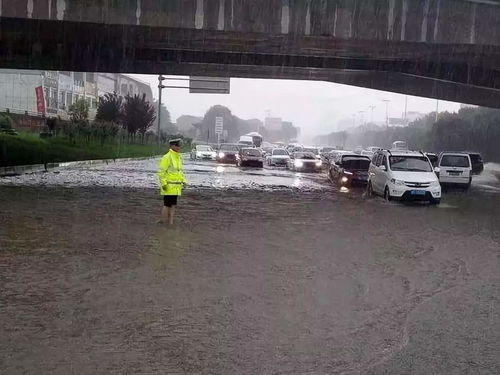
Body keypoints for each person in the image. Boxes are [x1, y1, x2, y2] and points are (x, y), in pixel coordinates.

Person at [158, 138, 187, 225]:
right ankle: (163, 221)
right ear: (172, 146)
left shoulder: (178, 157)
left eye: (179, 145)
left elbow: (180, 171)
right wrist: (163, 183)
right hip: (168, 186)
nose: (179, 147)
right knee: (167, 205)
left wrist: (184, 181)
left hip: (176, 186)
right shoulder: (167, 157)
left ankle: (170, 222)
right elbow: (162, 172)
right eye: (177, 145)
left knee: (173, 205)